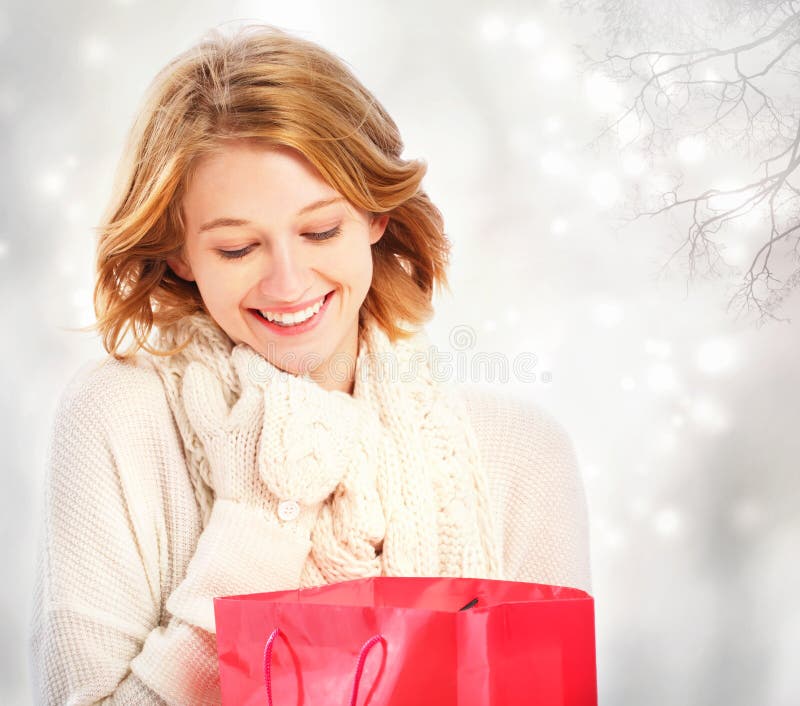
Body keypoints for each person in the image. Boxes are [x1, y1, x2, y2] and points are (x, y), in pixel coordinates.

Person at [28, 23, 592, 705]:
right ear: (179, 252)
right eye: (238, 248)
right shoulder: (116, 417)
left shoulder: (521, 454)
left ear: (376, 213)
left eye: (321, 230)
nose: (288, 283)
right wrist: (264, 512)